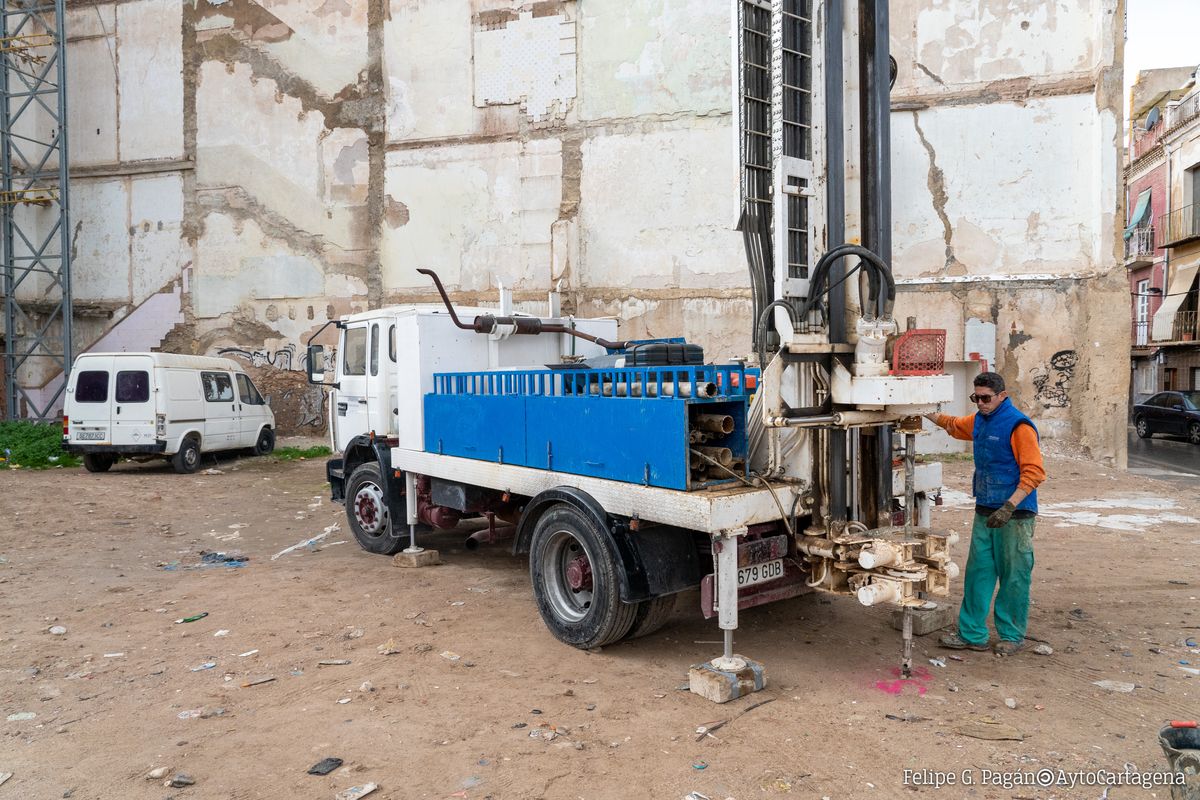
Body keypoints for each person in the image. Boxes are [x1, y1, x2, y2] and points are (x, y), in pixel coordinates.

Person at [924, 371, 1046, 656]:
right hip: (985, 511)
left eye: (985, 398)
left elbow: (1035, 472)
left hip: (1014, 516)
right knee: (978, 574)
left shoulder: (1018, 426)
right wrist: (922, 411)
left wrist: (1009, 506)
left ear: (1002, 396)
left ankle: (1012, 635)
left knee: (1014, 576)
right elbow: (953, 425)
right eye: (975, 398)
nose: (980, 403)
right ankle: (972, 634)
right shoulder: (980, 420)